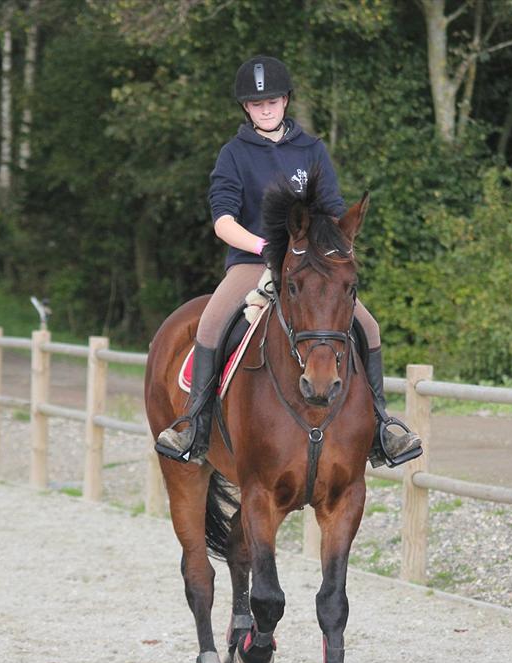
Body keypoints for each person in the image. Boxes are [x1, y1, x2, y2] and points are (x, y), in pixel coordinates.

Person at [155, 55, 421, 468]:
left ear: (285, 101)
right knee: (209, 323)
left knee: (368, 325)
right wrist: (264, 248)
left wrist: (325, 249)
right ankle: (195, 422)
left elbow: (332, 210)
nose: (266, 108)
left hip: (306, 265)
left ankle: (381, 425)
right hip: (252, 260)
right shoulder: (234, 154)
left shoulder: (311, 148)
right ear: (246, 107)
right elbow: (222, 220)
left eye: (273, 101)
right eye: (257, 103)